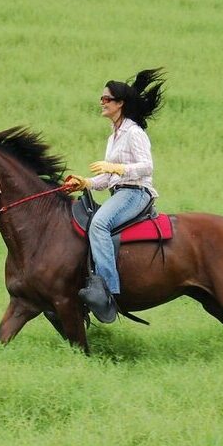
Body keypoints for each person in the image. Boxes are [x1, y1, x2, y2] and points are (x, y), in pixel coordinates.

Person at [66, 68, 165, 323]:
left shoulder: (134, 133)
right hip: (120, 191)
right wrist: (85, 182)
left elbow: (147, 166)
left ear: (120, 104)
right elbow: (108, 179)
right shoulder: (113, 137)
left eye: (106, 99)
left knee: (99, 224)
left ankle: (107, 290)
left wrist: (118, 168)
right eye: (101, 98)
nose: (102, 102)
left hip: (136, 193)